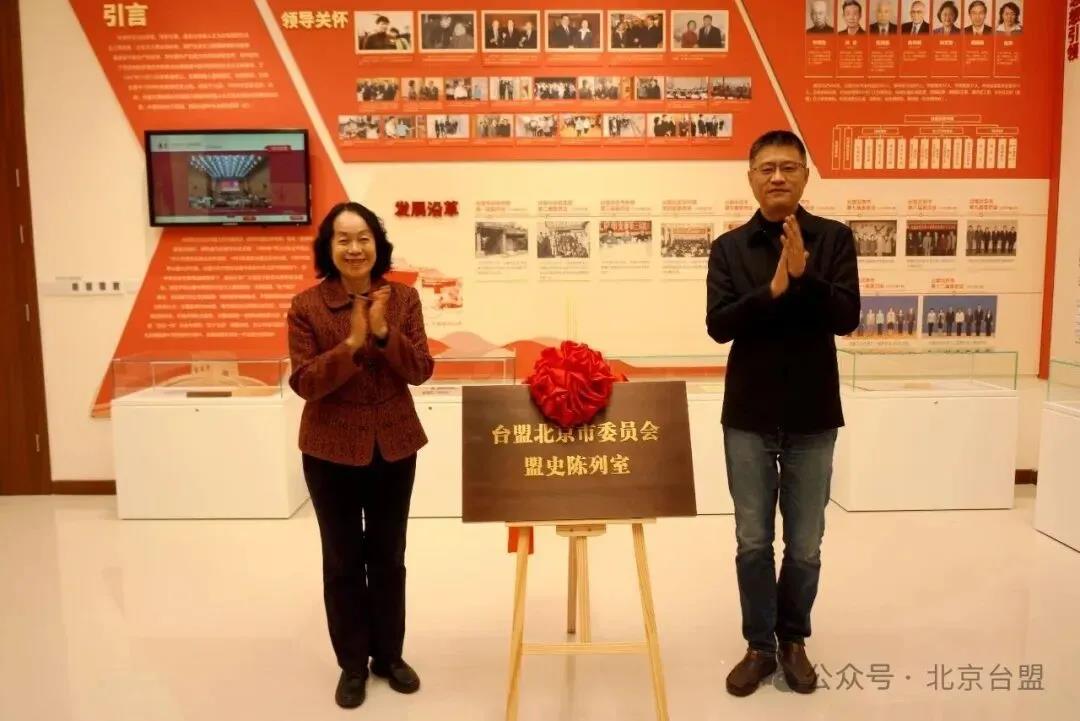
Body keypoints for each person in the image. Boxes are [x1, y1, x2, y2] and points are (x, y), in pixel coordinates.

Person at [706, 130, 860, 697]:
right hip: (748, 416)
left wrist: (806, 278)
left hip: (813, 415)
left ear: (804, 176)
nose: (777, 177)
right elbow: (719, 325)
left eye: (789, 167)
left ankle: (793, 640)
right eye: (767, 167)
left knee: (805, 542)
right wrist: (772, 288)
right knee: (752, 539)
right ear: (751, 177)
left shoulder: (834, 239)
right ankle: (759, 646)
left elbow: (847, 317)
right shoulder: (729, 248)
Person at [287, 202, 435, 709]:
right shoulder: (306, 306)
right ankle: (352, 665)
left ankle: (389, 657)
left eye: (363, 237)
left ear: (378, 243)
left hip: (394, 444)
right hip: (329, 451)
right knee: (343, 560)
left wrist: (383, 333)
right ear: (329, 248)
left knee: (389, 557)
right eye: (343, 239)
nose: (354, 248)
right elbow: (305, 383)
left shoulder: (404, 299)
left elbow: (421, 370)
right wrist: (352, 342)